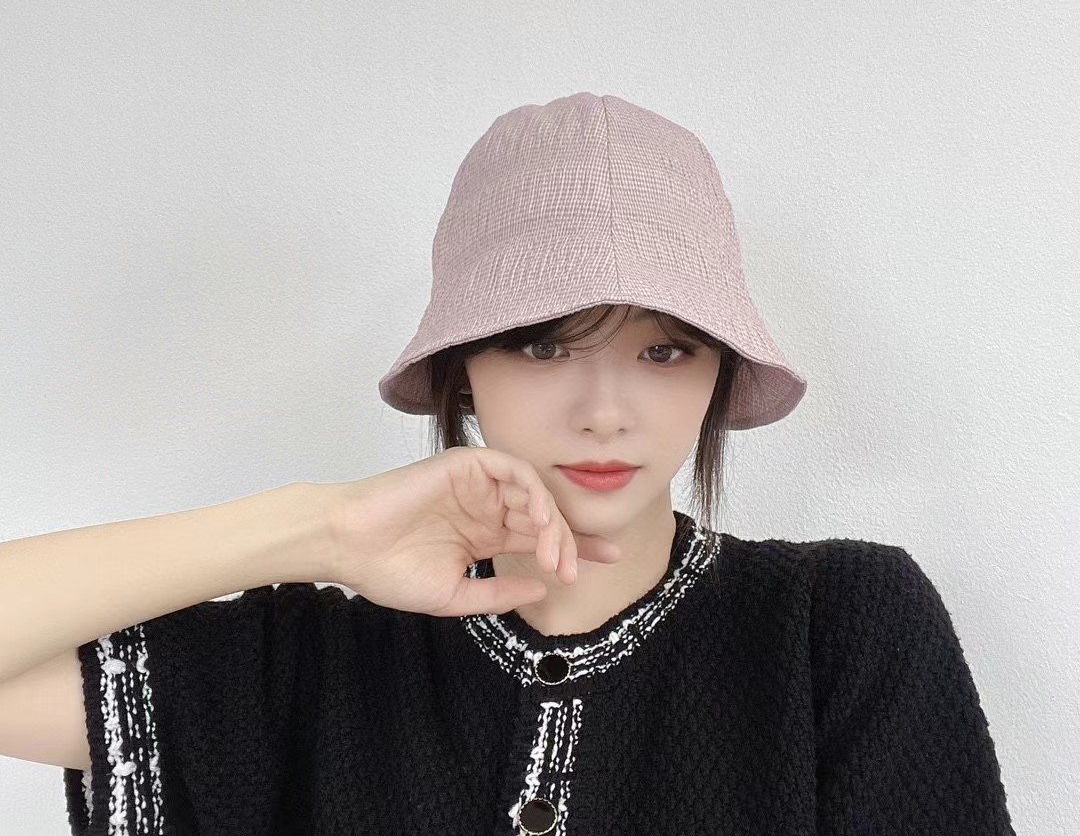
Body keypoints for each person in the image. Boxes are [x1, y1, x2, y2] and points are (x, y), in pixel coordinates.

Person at [0, 91, 1016, 835]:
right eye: (542, 346)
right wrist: (322, 527)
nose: (605, 413)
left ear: (717, 377)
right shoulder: (310, 664)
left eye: (665, 352)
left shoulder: (835, 628)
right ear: (464, 373)